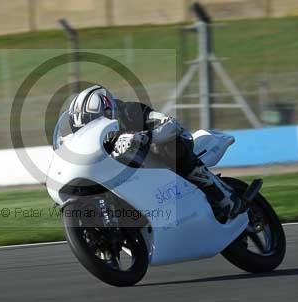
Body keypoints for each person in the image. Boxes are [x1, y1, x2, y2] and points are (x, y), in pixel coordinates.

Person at [67, 85, 246, 223]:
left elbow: (170, 124)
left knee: (168, 148)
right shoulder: (97, 141)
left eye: (93, 123)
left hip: (167, 156)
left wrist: (144, 137)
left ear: (107, 109)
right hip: (139, 178)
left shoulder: (131, 111)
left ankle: (224, 197)